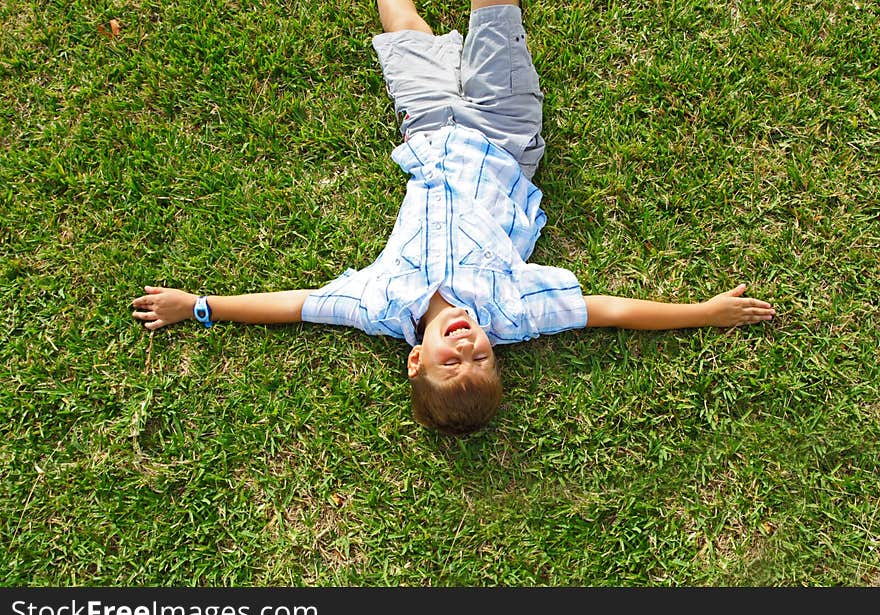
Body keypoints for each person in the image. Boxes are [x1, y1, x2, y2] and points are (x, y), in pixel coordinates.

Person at [131, 0, 775, 435]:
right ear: (499, 353)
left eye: (450, 362)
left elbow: (296, 304)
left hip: (429, 128)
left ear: (415, 360)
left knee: (399, 23)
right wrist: (703, 312)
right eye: (483, 361)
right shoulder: (515, 311)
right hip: (504, 133)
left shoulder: (379, 305)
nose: (467, 347)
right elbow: (610, 312)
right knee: (495, 11)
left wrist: (200, 305)